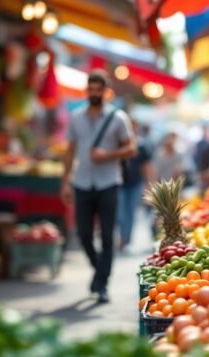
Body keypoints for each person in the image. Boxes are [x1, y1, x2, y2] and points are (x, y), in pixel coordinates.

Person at [60, 70, 137, 303]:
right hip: (82, 182)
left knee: (106, 236)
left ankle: (102, 284)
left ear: (106, 91)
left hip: (108, 183)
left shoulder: (118, 118)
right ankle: (99, 270)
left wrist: (108, 154)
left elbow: (131, 149)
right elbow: (70, 151)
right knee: (83, 233)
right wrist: (65, 181)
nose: (93, 94)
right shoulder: (77, 118)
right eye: (90, 89)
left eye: (98, 90)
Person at [116, 121, 154, 252]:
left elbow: (146, 166)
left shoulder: (141, 146)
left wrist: (149, 185)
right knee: (120, 213)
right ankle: (121, 237)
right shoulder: (118, 144)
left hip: (135, 184)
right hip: (119, 184)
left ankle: (126, 239)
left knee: (130, 212)